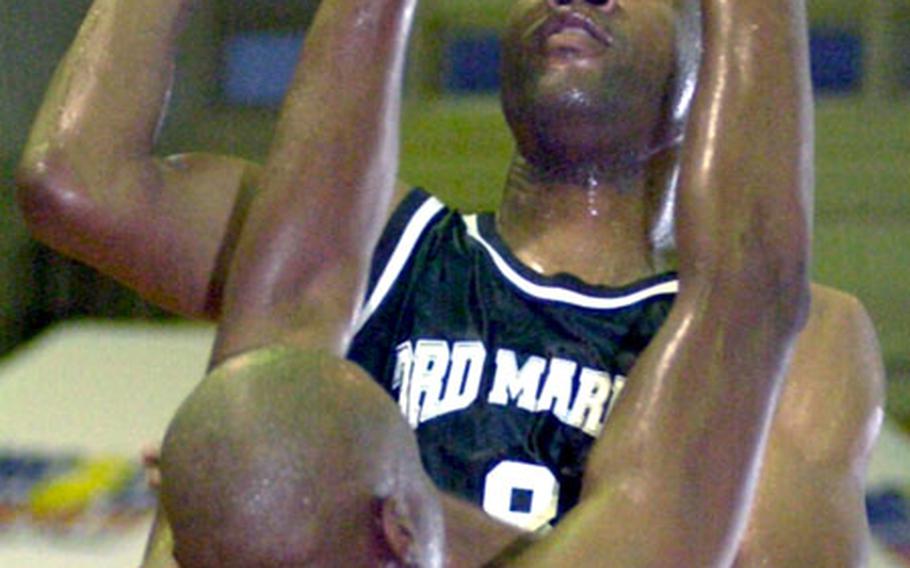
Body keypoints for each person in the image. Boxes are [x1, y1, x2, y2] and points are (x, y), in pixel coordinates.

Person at [16, 0, 884, 564]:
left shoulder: (814, 335)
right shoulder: (375, 237)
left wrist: (298, 512)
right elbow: (79, 181)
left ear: (718, 88)